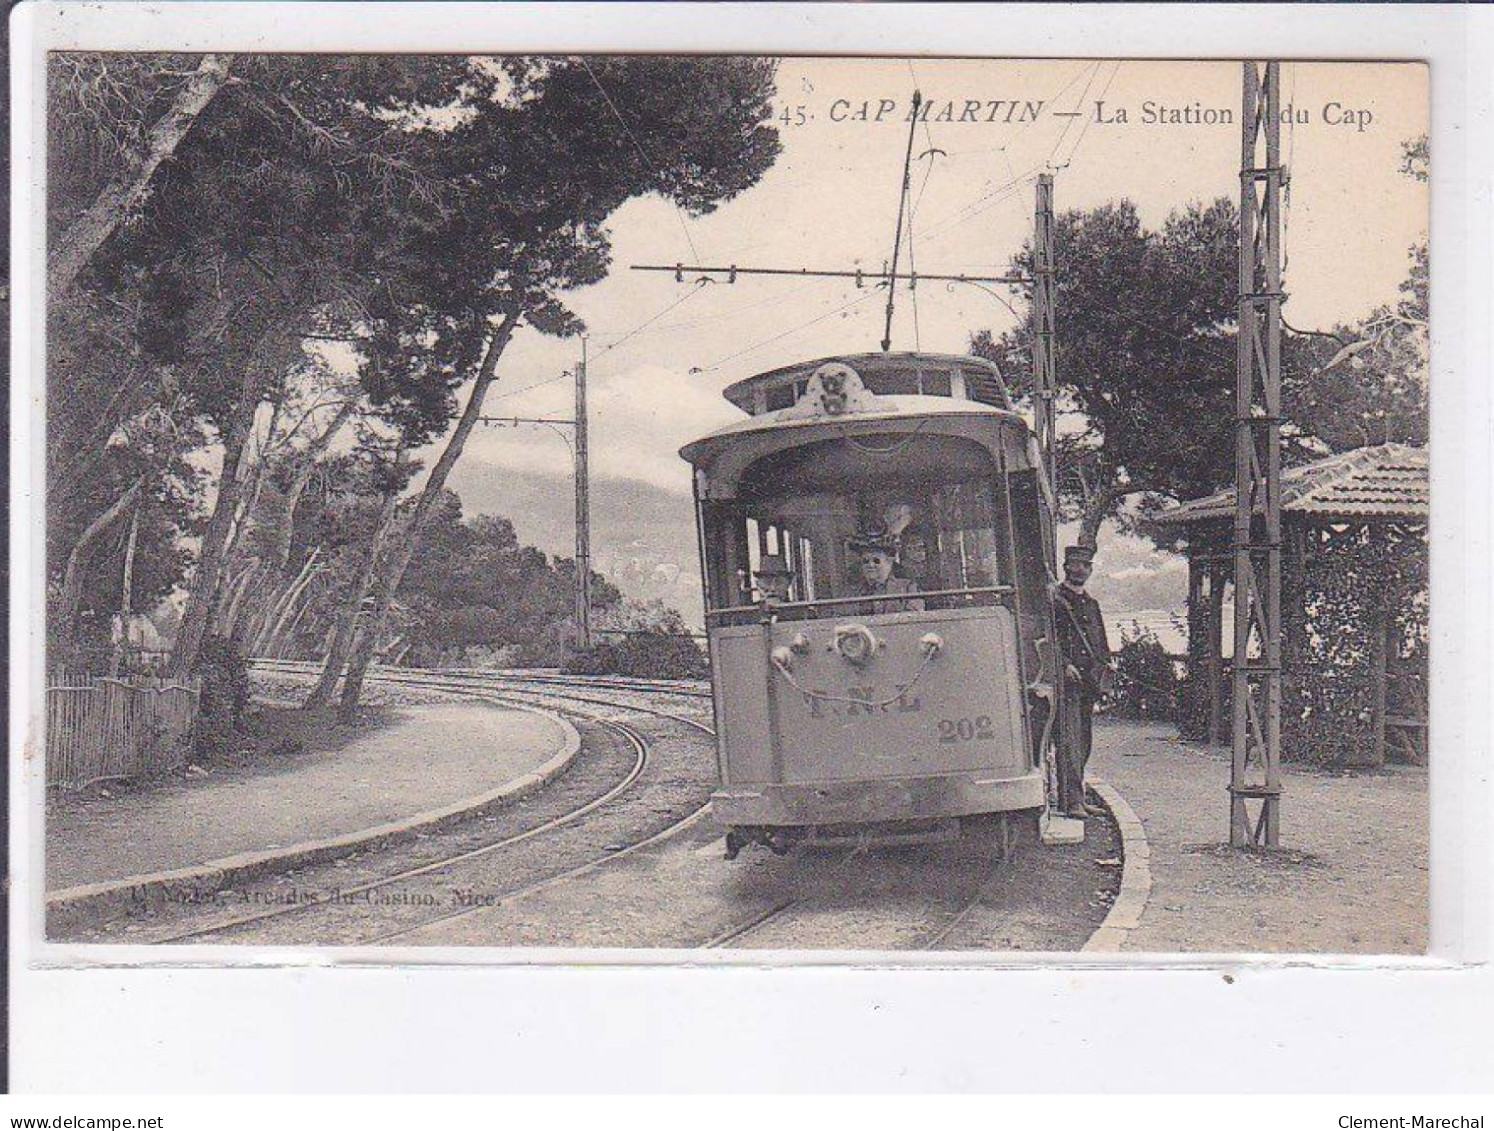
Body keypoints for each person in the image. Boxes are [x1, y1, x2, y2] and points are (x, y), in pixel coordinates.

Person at [1052, 538, 1113, 820]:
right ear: (1065, 567)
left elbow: (1100, 641)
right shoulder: (1055, 602)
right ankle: (1072, 800)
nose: (1080, 570)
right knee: (1070, 741)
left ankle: (1076, 795)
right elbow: (1048, 639)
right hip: (1067, 682)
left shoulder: (1091, 603)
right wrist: (1063, 664)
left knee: (1084, 740)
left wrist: (1104, 671)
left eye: (1085, 565)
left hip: (1089, 680)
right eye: (1075, 564)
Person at [848, 526, 924, 615]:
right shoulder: (855, 593)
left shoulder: (908, 588)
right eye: (865, 561)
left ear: (890, 561)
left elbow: (915, 619)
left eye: (876, 561)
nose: (870, 565)